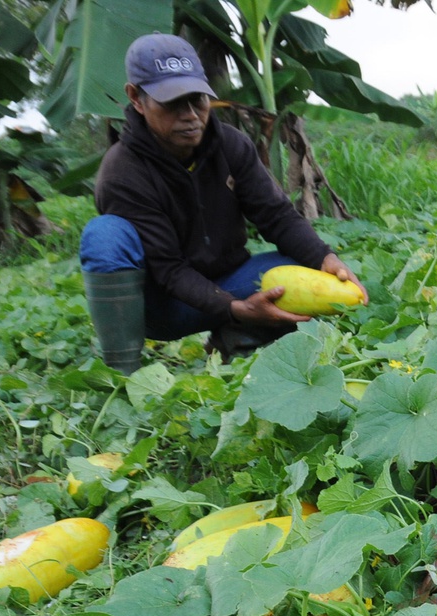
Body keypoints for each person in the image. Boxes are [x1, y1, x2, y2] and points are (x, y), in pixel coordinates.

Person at [79, 33, 366, 373]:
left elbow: (276, 217)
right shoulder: (123, 172)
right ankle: (121, 373)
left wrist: (325, 258)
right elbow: (169, 270)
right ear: (136, 99)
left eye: (197, 99)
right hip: (165, 306)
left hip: (229, 280)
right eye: (172, 102)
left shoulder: (232, 145)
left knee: (304, 264)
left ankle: (233, 338)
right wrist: (233, 307)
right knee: (105, 235)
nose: (190, 115)